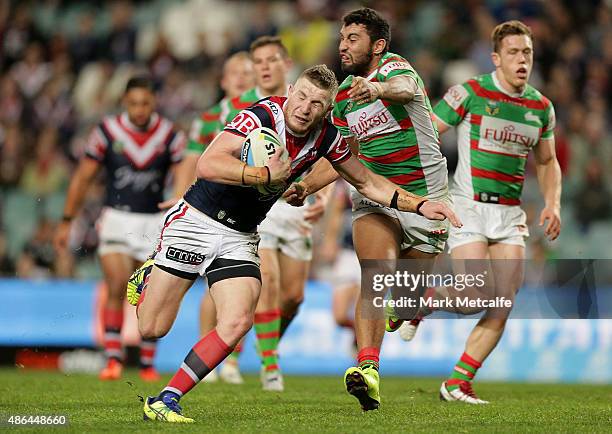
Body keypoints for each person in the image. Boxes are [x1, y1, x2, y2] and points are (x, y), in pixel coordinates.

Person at [128, 64, 460, 423]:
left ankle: (167, 398)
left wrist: (421, 204)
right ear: (290, 91)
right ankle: (149, 275)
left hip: (240, 235)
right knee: (152, 328)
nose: (305, 108)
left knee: (239, 321)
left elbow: (368, 183)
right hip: (196, 221)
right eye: (301, 96)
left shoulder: (327, 138)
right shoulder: (262, 116)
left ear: (329, 108)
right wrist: (262, 174)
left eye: (318, 103)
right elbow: (208, 165)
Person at [286, 8, 452, 411]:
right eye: (342, 38)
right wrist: (307, 185)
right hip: (375, 196)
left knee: (406, 300)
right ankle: (368, 369)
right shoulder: (341, 96)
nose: (343, 45)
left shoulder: (397, 69)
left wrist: (376, 91)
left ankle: (412, 307)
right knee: (376, 275)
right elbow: (344, 155)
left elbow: (405, 90)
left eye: (353, 38)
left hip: (425, 198)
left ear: (377, 45)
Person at [398, 20, 561, 404]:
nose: (522, 60)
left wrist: (553, 203)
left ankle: (457, 383)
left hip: (509, 215)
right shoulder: (469, 93)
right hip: (468, 206)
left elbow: (549, 160)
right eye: (513, 53)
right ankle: (423, 299)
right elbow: (428, 131)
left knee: (502, 301)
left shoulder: (541, 107)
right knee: (474, 294)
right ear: (496, 58)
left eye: (527, 53)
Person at [200, 36, 330, 391]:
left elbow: (333, 155)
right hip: (258, 205)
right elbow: (213, 153)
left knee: (293, 297)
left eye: (272, 60)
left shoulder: (314, 108)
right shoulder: (244, 107)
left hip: (296, 205)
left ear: (287, 66)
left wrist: (319, 194)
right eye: (258, 62)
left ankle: (259, 344)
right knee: (264, 283)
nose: (264, 67)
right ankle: (260, 364)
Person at [54, 76, 186, 381]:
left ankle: (147, 364)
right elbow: (83, 178)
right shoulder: (106, 132)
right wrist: (66, 220)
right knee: (115, 283)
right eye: (134, 103)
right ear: (124, 102)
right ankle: (113, 358)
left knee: (149, 293)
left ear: (154, 103)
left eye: (146, 103)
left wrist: (180, 205)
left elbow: (184, 175)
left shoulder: (170, 135)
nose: (140, 110)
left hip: (154, 221)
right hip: (116, 218)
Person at [180, 51, 255, 385]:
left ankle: (232, 361)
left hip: (250, 208)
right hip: (209, 210)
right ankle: (206, 356)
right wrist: (182, 202)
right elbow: (191, 161)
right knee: (212, 290)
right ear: (223, 80)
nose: (241, 77)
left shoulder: (263, 114)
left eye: (246, 72)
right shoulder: (210, 118)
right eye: (234, 72)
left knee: (250, 289)